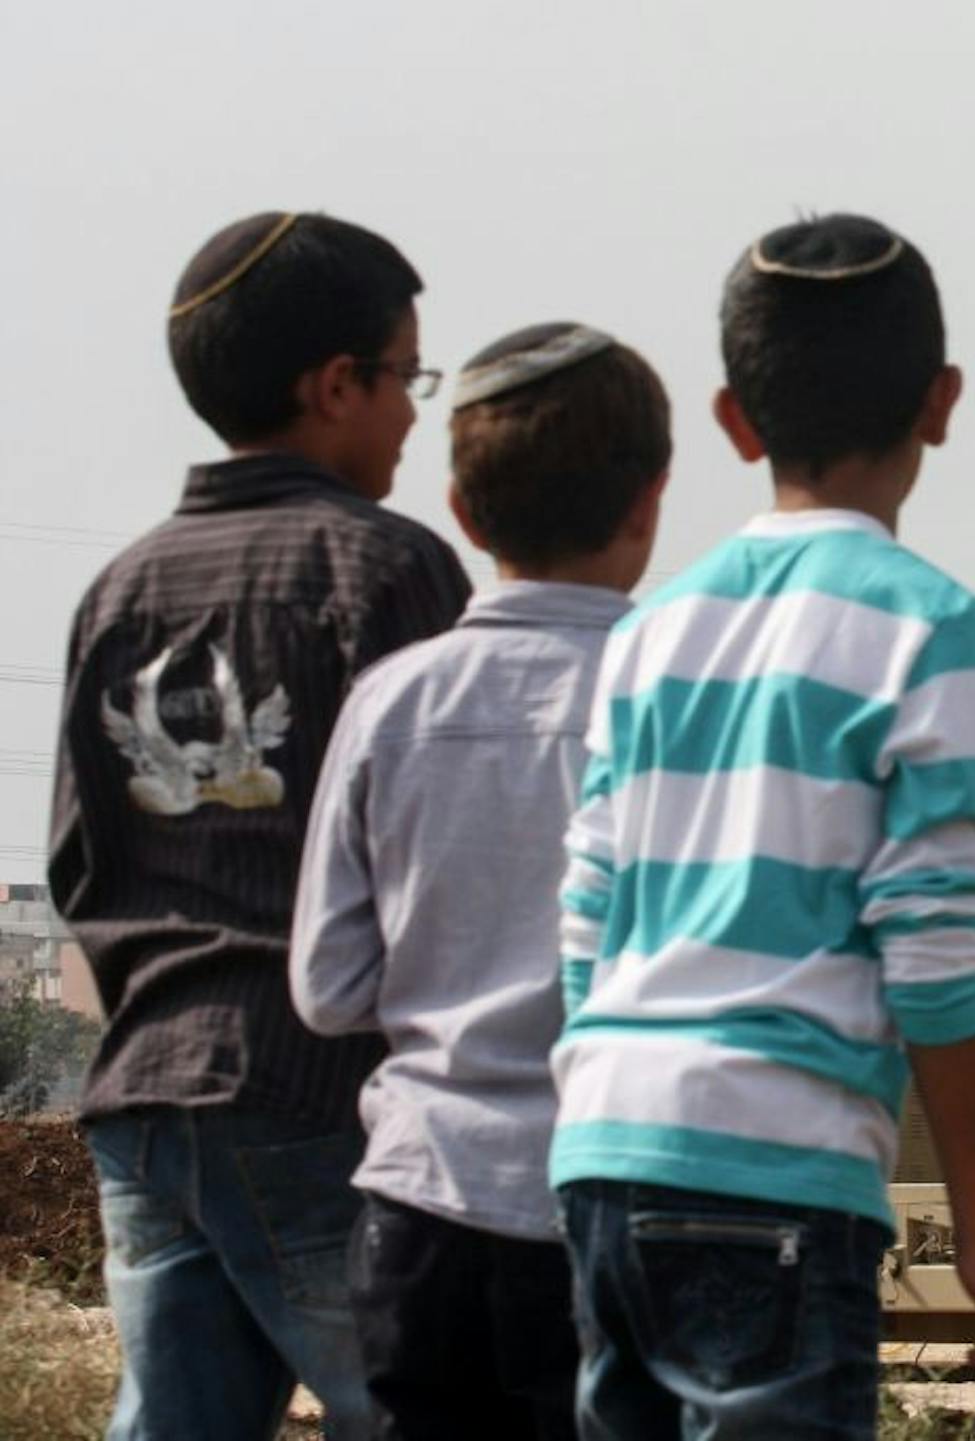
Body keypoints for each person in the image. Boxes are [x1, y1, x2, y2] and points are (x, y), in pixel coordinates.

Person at [549, 213, 975, 1439]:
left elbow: (585, 916)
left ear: (732, 419)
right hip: (773, 1178)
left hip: (605, 1160)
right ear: (941, 403)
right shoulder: (933, 629)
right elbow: (931, 950)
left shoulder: (649, 631)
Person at [48, 211, 471, 1440]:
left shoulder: (121, 588)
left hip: (142, 1098)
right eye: (407, 377)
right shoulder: (383, 571)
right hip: (316, 1093)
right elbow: (438, 855)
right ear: (336, 386)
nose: (412, 413)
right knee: (418, 1410)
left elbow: (78, 866)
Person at [290, 323, 671, 1441]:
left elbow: (325, 986)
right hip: (622, 1213)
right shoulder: (689, 701)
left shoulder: (393, 703)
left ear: (461, 513)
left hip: (421, 1215)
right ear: (649, 502)